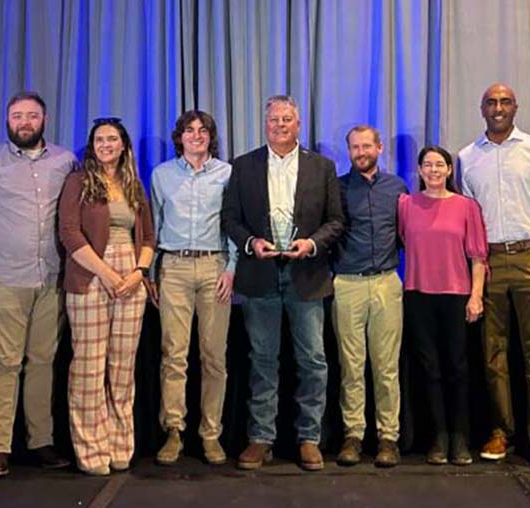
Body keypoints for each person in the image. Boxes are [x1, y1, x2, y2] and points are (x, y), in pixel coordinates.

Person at [221, 95, 344, 471]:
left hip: (306, 275)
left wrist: (311, 244)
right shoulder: (243, 166)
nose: (279, 125)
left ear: (298, 124)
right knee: (262, 360)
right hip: (259, 276)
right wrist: (250, 243)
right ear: (265, 124)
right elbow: (230, 218)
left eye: (287, 120)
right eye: (274, 120)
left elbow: (336, 221)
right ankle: (261, 438)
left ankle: (309, 438)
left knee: (313, 360)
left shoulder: (322, 167)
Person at [0, 90, 76, 478]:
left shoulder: (65, 160)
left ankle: (40, 441)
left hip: (52, 277)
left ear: (44, 119)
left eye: (32, 115)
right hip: (5, 278)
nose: (24, 122)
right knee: (4, 362)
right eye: (17, 115)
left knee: (42, 362)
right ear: (7, 120)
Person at [459, 82, 530, 474]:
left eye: (505, 101)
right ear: (482, 108)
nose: (498, 107)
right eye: (491, 102)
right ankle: (500, 432)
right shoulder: (467, 157)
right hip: (489, 264)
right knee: (493, 353)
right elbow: (468, 217)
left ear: (515, 107)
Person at [58, 118, 155, 475]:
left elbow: (148, 238)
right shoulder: (78, 182)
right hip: (90, 276)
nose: (106, 144)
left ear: (124, 144)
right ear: (91, 145)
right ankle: (91, 448)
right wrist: (108, 274)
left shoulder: (133, 184)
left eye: (112, 139)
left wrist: (138, 274)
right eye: (99, 139)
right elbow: (69, 233)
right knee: (88, 367)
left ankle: (119, 445)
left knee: (122, 369)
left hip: (131, 277)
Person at [149, 111, 235, 466]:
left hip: (214, 266)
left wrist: (232, 268)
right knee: (174, 354)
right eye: (189, 130)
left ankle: (210, 433)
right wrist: (152, 273)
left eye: (203, 131)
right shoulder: (162, 175)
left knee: (214, 356)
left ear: (211, 137)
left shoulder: (227, 173)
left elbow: (234, 223)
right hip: (174, 268)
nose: (196, 136)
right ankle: (174, 431)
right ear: (179, 137)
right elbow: (154, 223)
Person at [399, 146, 488, 466]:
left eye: (440, 164)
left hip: (456, 296)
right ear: (420, 171)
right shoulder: (406, 205)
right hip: (418, 294)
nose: (434, 170)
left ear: (450, 170)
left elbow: (478, 257)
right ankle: (438, 436)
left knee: (458, 368)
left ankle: (460, 437)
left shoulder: (467, 207)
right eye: (427, 165)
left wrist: (475, 296)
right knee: (429, 368)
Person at [331, 126, 409, 468]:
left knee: (386, 367)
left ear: (379, 147)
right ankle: (353, 435)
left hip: (386, 283)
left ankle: (388, 437)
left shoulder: (397, 187)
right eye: (354, 146)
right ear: (348, 151)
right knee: (351, 366)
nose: (361, 151)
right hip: (347, 283)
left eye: (366, 145)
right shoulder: (337, 188)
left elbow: (408, 234)